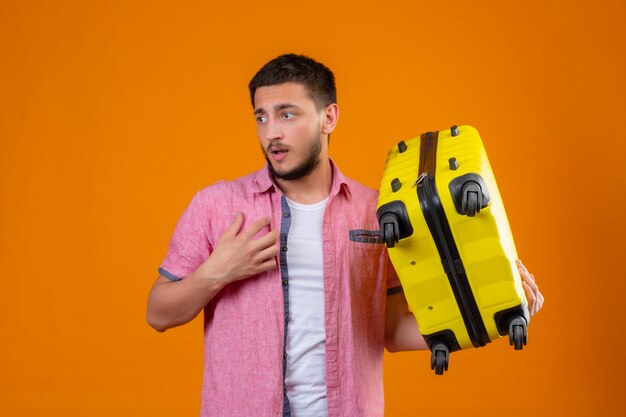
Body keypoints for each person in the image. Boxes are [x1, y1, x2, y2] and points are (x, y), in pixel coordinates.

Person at [146, 53, 544, 417]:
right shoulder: (216, 206)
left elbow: (389, 330)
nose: (271, 134)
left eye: (287, 115)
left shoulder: (375, 212)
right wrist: (218, 272)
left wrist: (493, 316)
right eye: (261, 117)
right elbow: (158, 313)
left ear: (329, 117)